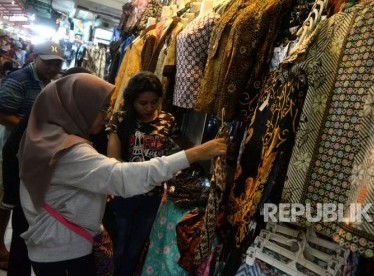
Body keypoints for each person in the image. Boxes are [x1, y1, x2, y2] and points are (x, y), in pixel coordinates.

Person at [17, 73, 226, 275]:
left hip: (54, 241)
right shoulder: (69, 151)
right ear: (81, 108)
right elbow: (122, 176)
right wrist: (195, 153)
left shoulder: (45, 135)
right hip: (64, 248)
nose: (106, 115)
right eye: (102, 108)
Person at [2, 67, 90, 276]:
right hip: (31, 194)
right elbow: (11, 150)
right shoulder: (43, 111)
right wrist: (13, 196)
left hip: (55, 200)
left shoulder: (79, 117)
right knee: (22, 244)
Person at [0, 40, 63, 271]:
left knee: (17, 201)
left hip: (30, 152)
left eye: (57, 64)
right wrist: (33, 129)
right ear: (35, 58)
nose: (53, 68)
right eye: (48, 63)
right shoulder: (19, 80)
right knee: (6, 200)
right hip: (8, 148)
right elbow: (2, 113)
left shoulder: (52, 84)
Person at [106, 71, 178, 275]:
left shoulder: (168, 120)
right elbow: (113, 161)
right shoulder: (120, 119)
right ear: (132, 101)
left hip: (152, 197)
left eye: (154, 102)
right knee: (117, 248)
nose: (149, 108)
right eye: (143, 103)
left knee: (135, 250)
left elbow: (172, 154)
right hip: (124, 195)